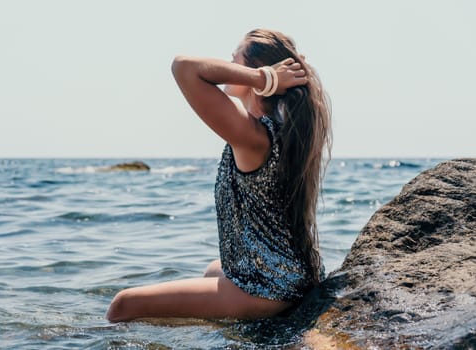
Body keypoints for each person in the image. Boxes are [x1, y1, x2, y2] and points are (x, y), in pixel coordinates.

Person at [106, 28, 332, 322]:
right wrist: (263, 77)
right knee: (213, 269)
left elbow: (184, 67)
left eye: (234, 60)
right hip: (287, 275)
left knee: (123, 305)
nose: (227, 68)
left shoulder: (253, 134)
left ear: (258, 72)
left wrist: (263, 78)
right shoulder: (277, 130)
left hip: (268, 288)